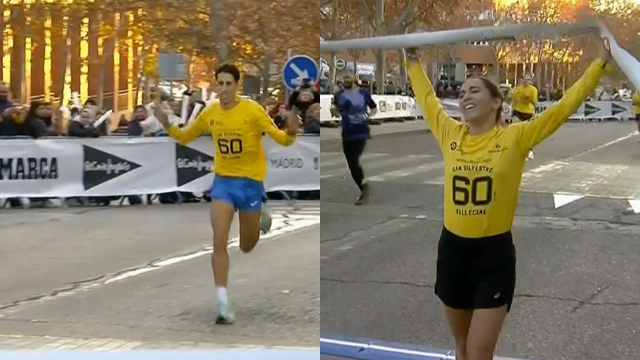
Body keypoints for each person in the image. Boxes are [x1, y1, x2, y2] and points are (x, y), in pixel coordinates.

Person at [405, 34, 611, 360]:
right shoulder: (450, 133)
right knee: (461, 346)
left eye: (474, 90)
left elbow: (562, 108)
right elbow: (427, 98)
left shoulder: (516, 137)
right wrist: (412, 60)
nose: (465, 96)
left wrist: (598, 65)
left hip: (493, 257)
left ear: (496, 101)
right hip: (453, 253)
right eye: (462, 92)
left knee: (479, 350)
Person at [154, 63, 299, 325]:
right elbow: (186, 137)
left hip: (251, 185)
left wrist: (292, 128)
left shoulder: (252, 111)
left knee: (246, 245)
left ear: (237, 85)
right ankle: (223, 303)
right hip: (223, 183)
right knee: (218, 240)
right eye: (219, 84)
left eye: (228, 84)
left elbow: (283, 139)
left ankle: (261, 219)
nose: (223, 89)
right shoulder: (211, 113)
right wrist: (167, 124)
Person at [332, 72, 377, 205]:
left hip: (361, 131)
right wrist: (334, 111)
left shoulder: (363, 94)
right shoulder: (339, 95)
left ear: (354, 80)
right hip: (347, 132)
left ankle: (365, 189)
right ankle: (363, 187)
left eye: (348, 77)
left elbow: (374, 108)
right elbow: (336, 110)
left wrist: (367, 115)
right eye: (344, 78)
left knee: (354, 160)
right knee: (351, 164)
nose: (345, 80)